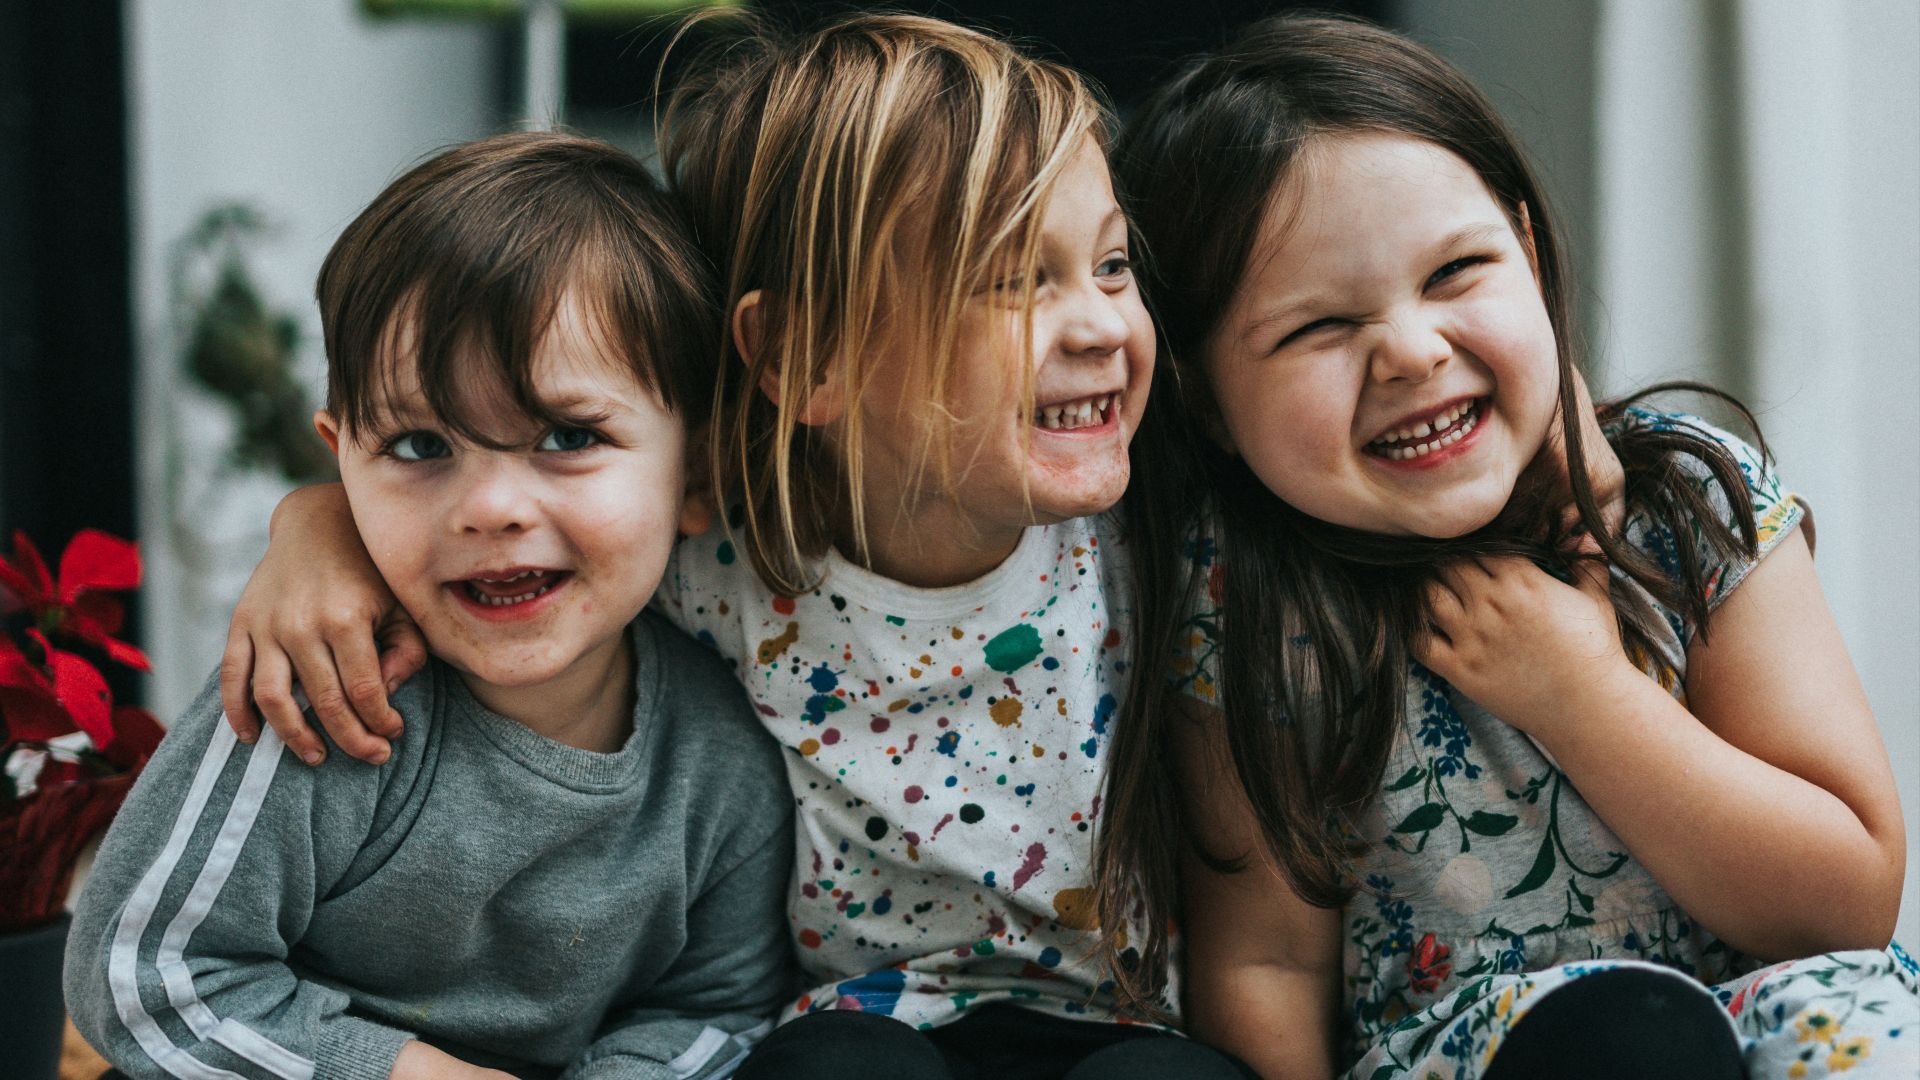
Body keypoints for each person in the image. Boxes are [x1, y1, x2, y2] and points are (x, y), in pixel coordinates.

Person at [206, 15, 1256, 1080]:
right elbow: (547, 515)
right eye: (1009, 280)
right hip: (853, 1026)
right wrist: (324, 526)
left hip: (1122, 1027)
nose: (1096, 325)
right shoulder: (725, 558)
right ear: (805, 359)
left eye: (1112, 264)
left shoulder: (1163, 539)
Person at [1096, 14, 1918, 1079]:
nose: (1410, 350)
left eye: (1455, 274)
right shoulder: (1246, 608)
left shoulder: (1686, 504)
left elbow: (1845, 902)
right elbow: (1265, 967)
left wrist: (1582, 694)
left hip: (1770, 1018)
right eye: (1317, 329)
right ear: (1204, 398)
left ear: (1528, 255)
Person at [65, 132, 795, 1080]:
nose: (490, 509)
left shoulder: (723, 758)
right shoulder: (317, 697)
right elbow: (145, 975)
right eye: (417, 446)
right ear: (340, 461)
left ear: (696, 472)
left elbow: (717, 1010)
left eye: (568, 435)